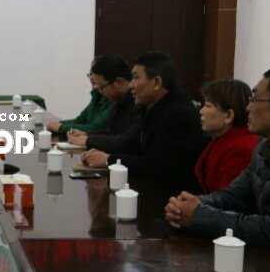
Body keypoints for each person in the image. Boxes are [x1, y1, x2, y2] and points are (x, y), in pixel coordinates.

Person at [166, 67, 270, 272]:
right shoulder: (265, 146)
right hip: (269, 263)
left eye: (255, 99)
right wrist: (191, 205)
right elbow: (234, 196)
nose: (248, 107)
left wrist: (200, 216)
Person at [82, 52, 207, 193]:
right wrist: (100, 151)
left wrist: (109, 159)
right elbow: (131, 142)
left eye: (136, 78)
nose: (131, 85)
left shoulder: (177, 113)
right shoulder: (150, 106)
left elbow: (155, 164)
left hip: (173, 196)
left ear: (157, 82)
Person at [194, 79, 259, 193]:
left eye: (208, 105)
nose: (201, 111)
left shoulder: (240, 149)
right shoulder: (222, 138)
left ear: (228, 115)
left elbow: (230, 197)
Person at [66, 55, 139, 152]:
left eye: (102, 87)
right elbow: (110, 133)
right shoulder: (118, 102)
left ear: (118, 82)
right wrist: (87, 135)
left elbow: (126, 141)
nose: (100, 92)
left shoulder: (139, 103)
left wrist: (88, 140)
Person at [47, 58, 112, 134]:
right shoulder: (97, 96)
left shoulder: (113, 99)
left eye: (95, 74)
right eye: (90, 74)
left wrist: (60, 127)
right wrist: (58, 124)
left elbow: (95, 128)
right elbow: (80, 120)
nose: (92, 78)